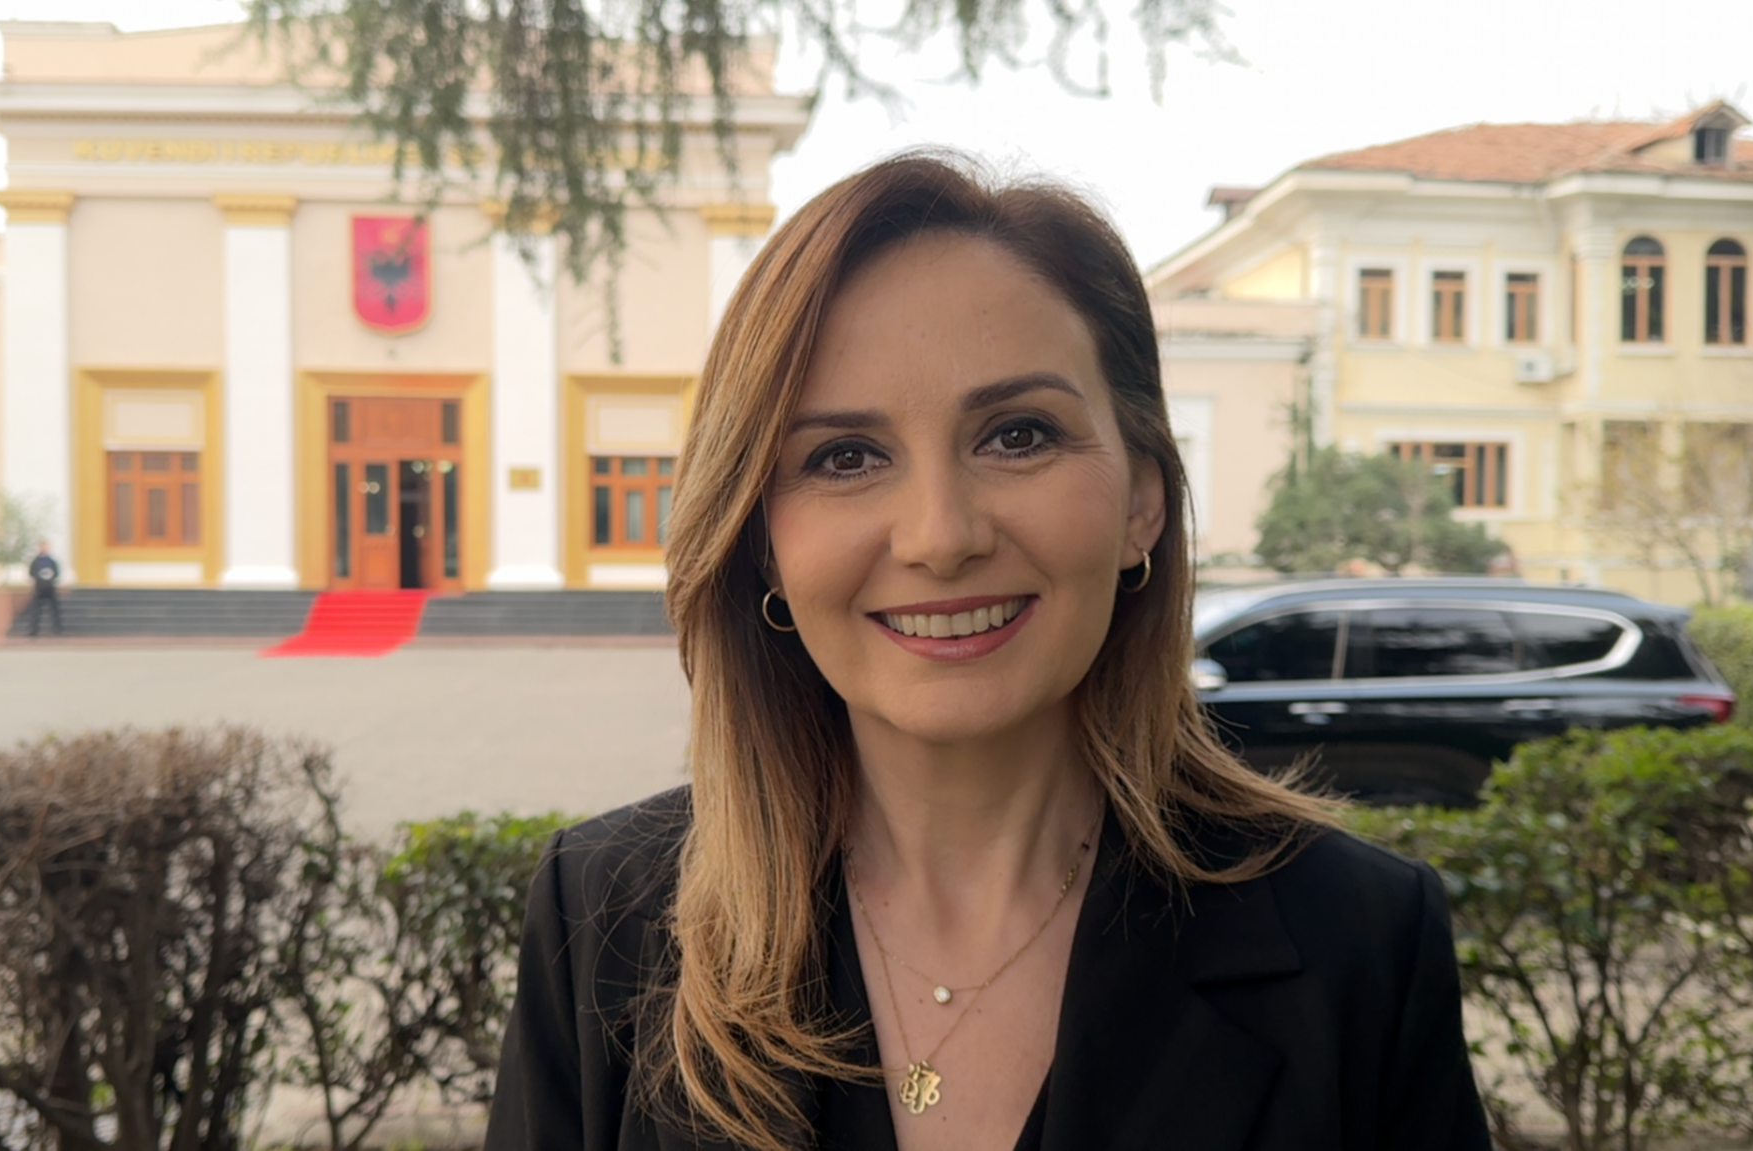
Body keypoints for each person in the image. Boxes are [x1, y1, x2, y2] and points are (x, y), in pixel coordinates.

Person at [485, 152, 1491, 1151]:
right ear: (760, 542)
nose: (938, 534)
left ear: (1141, 498)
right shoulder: (605, 914)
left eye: (1016, 434)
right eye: (844, 456)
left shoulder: (1356, 937)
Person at [26, 540, 62, 637]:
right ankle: (33, 631)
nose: (45, 548)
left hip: (50, 588)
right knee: (36, 611)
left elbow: (57, 573)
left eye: (46, 547)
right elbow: (31, 573)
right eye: (43, 547)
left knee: (54, 611)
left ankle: (57, 630)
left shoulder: (52, 561)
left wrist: (50, 580)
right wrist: (39, 580)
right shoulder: (35, 561)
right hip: (39, 589)